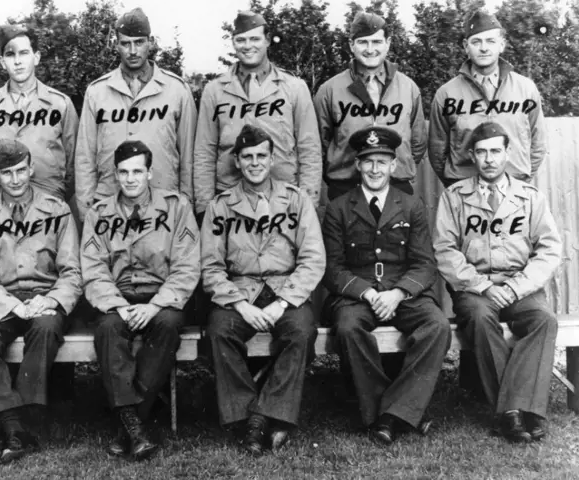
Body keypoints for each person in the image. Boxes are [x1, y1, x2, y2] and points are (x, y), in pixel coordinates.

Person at [321, 126, 451, 444]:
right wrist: (365, 291)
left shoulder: (411, 205)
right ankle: (400, 411)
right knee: (350, 328)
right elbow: (332, 267)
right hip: (355, 294)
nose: (375, 169)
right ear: (357, 165)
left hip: (401, 292)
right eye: (368, 162)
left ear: (394, 165)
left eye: (382, 161)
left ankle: (389, 416)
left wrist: (398, 292)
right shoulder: (338, 207)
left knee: (437, 326)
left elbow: (424, 264)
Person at [433, 121, 561, 443]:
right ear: (472, 157)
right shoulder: (454, 197)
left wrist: (515, 287)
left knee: (544, 321)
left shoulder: (530, 197)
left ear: (507, 153)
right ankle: (519, 413)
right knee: (479, 318)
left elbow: (549, 250)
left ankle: (512, 410)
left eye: (495, 151)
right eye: (481, 152)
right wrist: (485, 287)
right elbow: (445, 251)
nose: (488, 159)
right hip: (475, 289)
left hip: (520, 286)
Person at [201, 124, 324, 455]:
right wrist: (241, 306)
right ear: (237, 162)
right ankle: (247, 417)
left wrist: (282, 303)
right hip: (240, 292)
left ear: (272, 160)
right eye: (247, 157)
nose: (254, 163)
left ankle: (263, 417)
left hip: (286, 289)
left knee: (300, 332)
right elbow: (210, 267)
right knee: (219, 330)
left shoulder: (296, 201)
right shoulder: (221, 206)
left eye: (261, 156)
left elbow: (313, 259)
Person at [0, 140, 82, 463]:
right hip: (3, 301)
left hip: (46, 297)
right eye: (6, 173)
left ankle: (24, 419)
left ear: (31, 169)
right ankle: (12, 424)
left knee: (44, 329)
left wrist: (52, 300)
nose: (15, 180)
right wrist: (14, 306)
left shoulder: (57, 211)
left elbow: (73, 271)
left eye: (20, 171)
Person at [81, 140, 200, 460]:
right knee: (107, 329)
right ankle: (136, 427)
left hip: (162, 298)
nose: (130, 179)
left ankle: (129, 426)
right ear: (115, 175)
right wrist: (119, 305)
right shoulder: (99, 213)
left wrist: (155, 304)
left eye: (137, 171)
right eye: (123, 172)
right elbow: (93, 269)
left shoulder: (176, 207)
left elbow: (187, 266)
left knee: (167, 326)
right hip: (117, 298)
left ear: (150, 173)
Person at [194, 11, 321, 219]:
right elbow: (204, 151)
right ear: (233, 43)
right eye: (241, 40)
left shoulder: (294, 88)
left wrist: (308, 204)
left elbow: (310, 149)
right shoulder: (215, 90)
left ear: (268, 41)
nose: (248, 45)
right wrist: (203, 206)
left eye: (255, 39)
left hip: (284, 199)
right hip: (230, 200)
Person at [75, 8, 197, 222]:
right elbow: (85, 157)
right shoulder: (97, 92)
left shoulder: (176, 89)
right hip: (109, 205)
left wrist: (186, 204)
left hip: (164, 204)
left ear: (150, 42)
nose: (133, 50)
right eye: (125, 43)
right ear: (116, 45)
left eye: (139, 42)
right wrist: (87, 211)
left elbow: (189, 156)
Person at [314, 12, 426, 201]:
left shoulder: (408, 87)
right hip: (346, 188)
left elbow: (418, 141)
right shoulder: (329, 90)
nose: (370, 49)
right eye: (363, 42)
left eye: (376, 42)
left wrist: (394, 168)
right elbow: (319, 144)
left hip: (396, 187)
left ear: (388, 43)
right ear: (351, 45)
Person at [429, 10, 547, 187]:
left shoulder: (525, 89)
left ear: (502, 45)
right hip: (465, 192)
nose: (484, 48)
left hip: (514, 190)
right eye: (476, 41)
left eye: (490, 41)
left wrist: (521, 179)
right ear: (465, 46)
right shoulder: (446, 94)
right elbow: (437, 149)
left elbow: (538, 143)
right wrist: (457, 185)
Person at [0, 24, 78, 202]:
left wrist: (58, 194)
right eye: (10, 55)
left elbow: (74, 161)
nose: (18, 61)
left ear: (36, 57)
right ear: (3, 62)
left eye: (24, 53)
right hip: (4, 207)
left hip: (50, 204)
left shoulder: (60, 104)